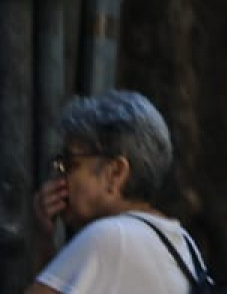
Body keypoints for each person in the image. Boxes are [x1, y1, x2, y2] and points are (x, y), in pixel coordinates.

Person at [27, 90, 213, 294]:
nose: (59, 177)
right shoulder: (181, 241)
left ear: (115, 172)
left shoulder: (110, 237)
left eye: (69, 164)